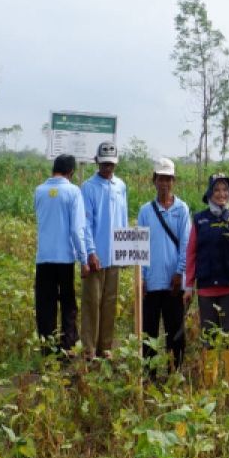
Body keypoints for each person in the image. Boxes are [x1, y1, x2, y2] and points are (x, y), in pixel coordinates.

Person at [136, 158, 191, 373]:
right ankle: (148, 376)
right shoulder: (145, 211)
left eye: (168, 179)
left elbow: (186, 244)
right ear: (154, 180)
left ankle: (174, 373)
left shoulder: (182, 209)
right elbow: (139, 247)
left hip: (173, 284)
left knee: (175, 333)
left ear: (173, 181)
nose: (164, 183)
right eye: (160, 178)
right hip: (151, 283)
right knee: (149, 334)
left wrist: (180, 273)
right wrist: (140, 277)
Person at [33, 154, 87, 358]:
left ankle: (47, 348)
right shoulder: (73, 192)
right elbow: (76, 230)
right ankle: (67, 347)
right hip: (65, 258)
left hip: (44, 258)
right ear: (71, 172)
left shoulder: (39, 191)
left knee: (45, 305)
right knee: (67, 304)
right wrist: (83, 258)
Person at [80, 141, 129, 357]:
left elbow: (124, 219)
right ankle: (89, 349)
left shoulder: (121, 186)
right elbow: (86, 223)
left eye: (111, 164)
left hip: (114, 255)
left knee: (110, 302)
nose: (108, 168)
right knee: (92, 303)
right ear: (97, 161)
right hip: (96, 257)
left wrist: (126, 248)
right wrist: (90, 251)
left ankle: (105, 347)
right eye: (104, 164)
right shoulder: (88, 187)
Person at [185, 173, 229, 343]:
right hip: (206, 288)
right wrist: (189, 285)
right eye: (216, 189)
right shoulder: (200, 219)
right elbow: (191, 253)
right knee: (209, 339)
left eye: (225, 189)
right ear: (210, 193)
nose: (221, 194)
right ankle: (211, 371)